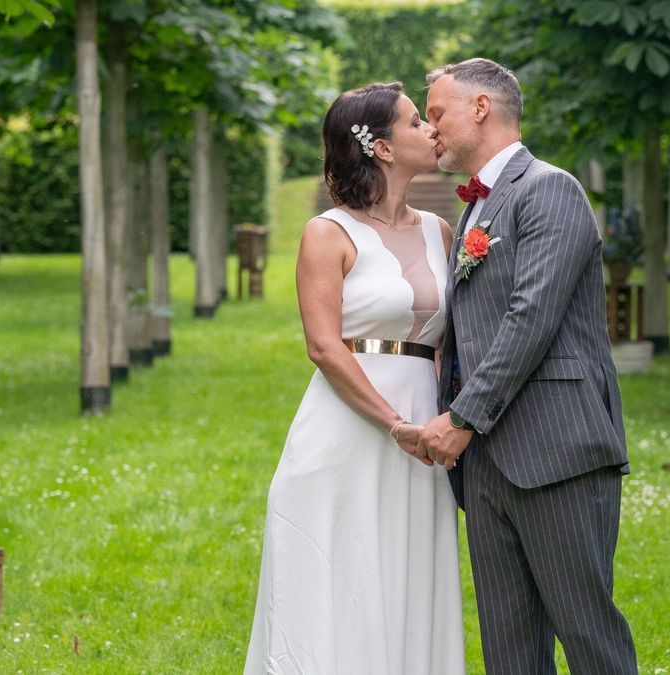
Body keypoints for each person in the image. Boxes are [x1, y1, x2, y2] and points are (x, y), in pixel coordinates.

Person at [419, 58, 639, 674]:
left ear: (480, 108)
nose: (430, 127)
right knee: (509, 651)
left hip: (557, 452)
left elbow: (530, 317)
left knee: (590, 638)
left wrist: (460, 417)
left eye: (437, 112)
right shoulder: (474, 210)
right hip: (487, 463)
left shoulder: (551, 188)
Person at [244, 82, 464, 675]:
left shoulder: (441, 233)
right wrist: (394, 424)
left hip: (425, 431)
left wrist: (443, 421)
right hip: (347, 431)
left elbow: (446, 342)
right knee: (345, 574)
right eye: (417, 122)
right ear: (384, 149)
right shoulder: (327, 234)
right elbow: (323, 345)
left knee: (409, 569)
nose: (432, 130)